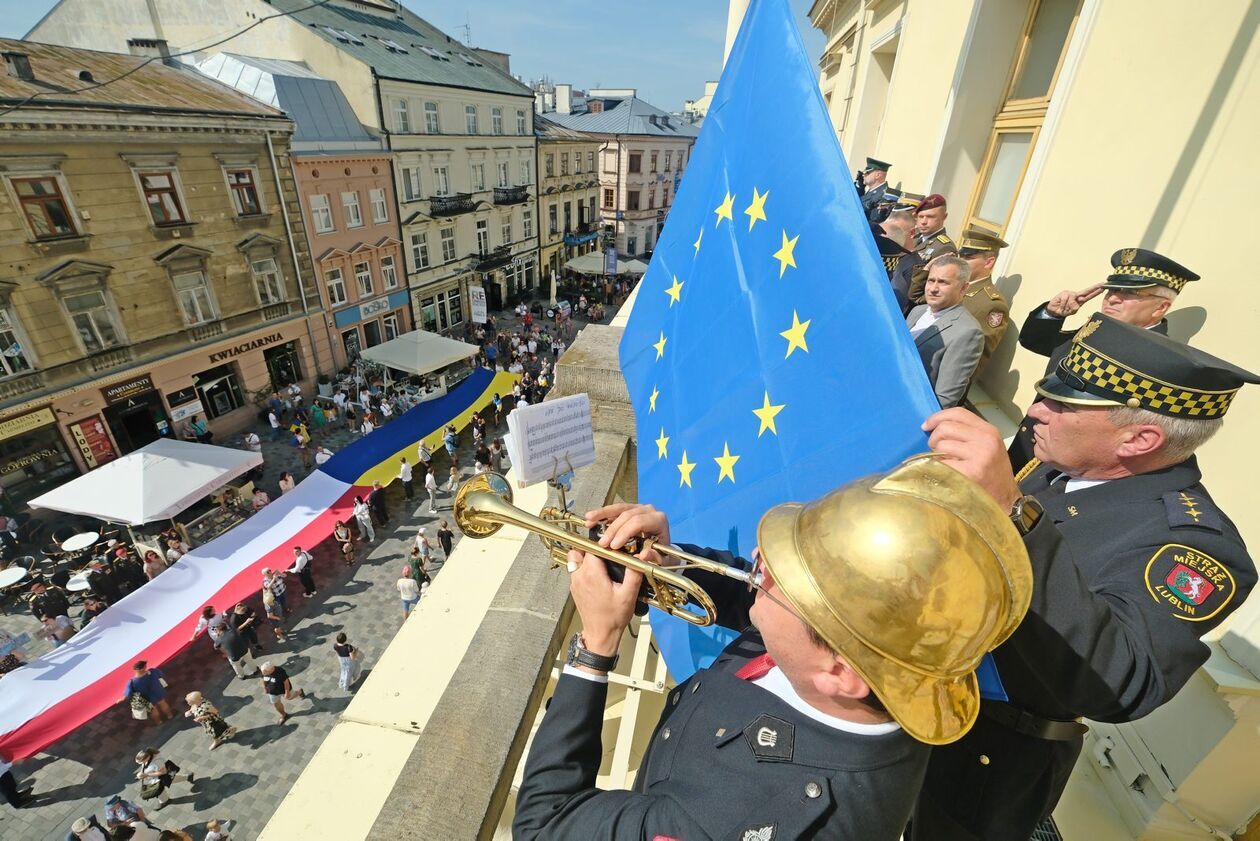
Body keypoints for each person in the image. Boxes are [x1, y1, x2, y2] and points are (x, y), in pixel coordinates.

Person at [513, 456, 1030, 840]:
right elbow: (760, 603)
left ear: (841, 673)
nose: (760, 556)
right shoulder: (883, 657)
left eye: (788, 576)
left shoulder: (727, 821)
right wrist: (670, 565)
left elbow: (544, 825)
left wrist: (594, 648)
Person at [911, 314, 1258, 841]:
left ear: (1139, 439)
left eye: (1064, 404)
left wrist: (1011, 513)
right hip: (921, 691)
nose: (1033, 411)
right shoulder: (1060, 463)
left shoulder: (1194, 546)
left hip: (985, 754)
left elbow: (1120, 684)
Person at [1008, 248, 1199, 470]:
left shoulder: (1155, 361)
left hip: (1069, 465)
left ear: (1161, 307)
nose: (1113, 299)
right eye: (1111, 290)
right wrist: (1054, 314)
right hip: (1031, 441)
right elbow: (1038, 343)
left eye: (1130, 294)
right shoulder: (1097, 329)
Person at [905, 255, 984, 408]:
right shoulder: (918, 311)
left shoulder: (968, 332)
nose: (933, 289)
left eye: (943, 282)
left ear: (964, 288)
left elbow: (945, 398)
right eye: (931, 280)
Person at [957, 227, 1011, 371]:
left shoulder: (992, 305)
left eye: (968, 258)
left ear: (988, 262)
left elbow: (976, 357)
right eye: (960, 256)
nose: (961, 261)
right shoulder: (953, 285)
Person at [905, 193, 958, 305]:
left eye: (930, 217)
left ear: (944, 217)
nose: (923, 221)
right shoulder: (915, 238)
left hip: (912, 305)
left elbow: (938, 289)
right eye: (920, 216)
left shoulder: (945, 248)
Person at [858, 156, 892, 221]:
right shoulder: (872, 191)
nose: (863, 175)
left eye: (867, 173)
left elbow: (874, 220)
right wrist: (859, 187)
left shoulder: (884, 195)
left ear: (878, 175)